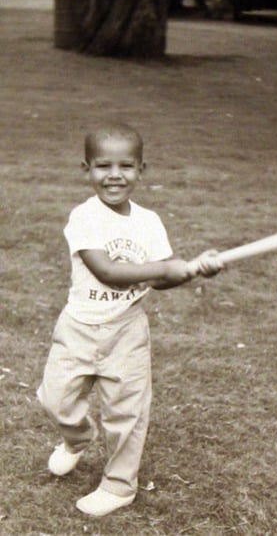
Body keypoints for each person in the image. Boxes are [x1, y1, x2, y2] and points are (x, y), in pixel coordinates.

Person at [36, 124, 223, 517]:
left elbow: (158, 280)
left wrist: (190, 272)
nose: (114, 174)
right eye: (103, 165)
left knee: (127, 412)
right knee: (55, 400)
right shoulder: (84, 217)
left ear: (142, 169)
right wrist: (168, 268)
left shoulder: (149, 222)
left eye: (126, 165)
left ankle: (119, 485)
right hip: (79, 328)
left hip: (127, 330)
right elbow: (106, 270)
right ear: (86, 169)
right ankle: (77, 438)